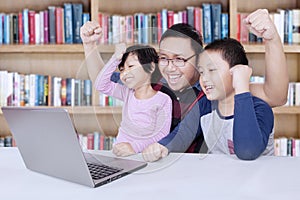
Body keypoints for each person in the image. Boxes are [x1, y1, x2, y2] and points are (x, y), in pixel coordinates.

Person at [80, 9, 288, 161]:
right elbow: (103, 80)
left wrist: (271, 39)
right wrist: (90, 44)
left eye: (180, 59)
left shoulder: (212, 92)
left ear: (199, 61)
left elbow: (275, 96)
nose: (170, 68)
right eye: (163, 58)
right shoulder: (152, 80)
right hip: (149, 165)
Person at [198, 38, 274, 160]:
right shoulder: (205, 106)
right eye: (201, 72)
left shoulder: (260, 109)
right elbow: (182, 134)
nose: (204, 78)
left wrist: (242, 87)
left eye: (212, 70)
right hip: (220, 177)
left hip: (258, 177)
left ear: (236, 72)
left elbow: (247, 152)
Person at [95, 43, 172, 157]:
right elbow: (100, 85)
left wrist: (134, 147)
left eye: (130, 66)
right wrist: (115, 59)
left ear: (150, 67)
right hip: (120, 154)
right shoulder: (126, 93)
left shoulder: (163, 100)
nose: (125, 73)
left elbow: (162, 134)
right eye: (121, 70)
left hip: (146, 156)